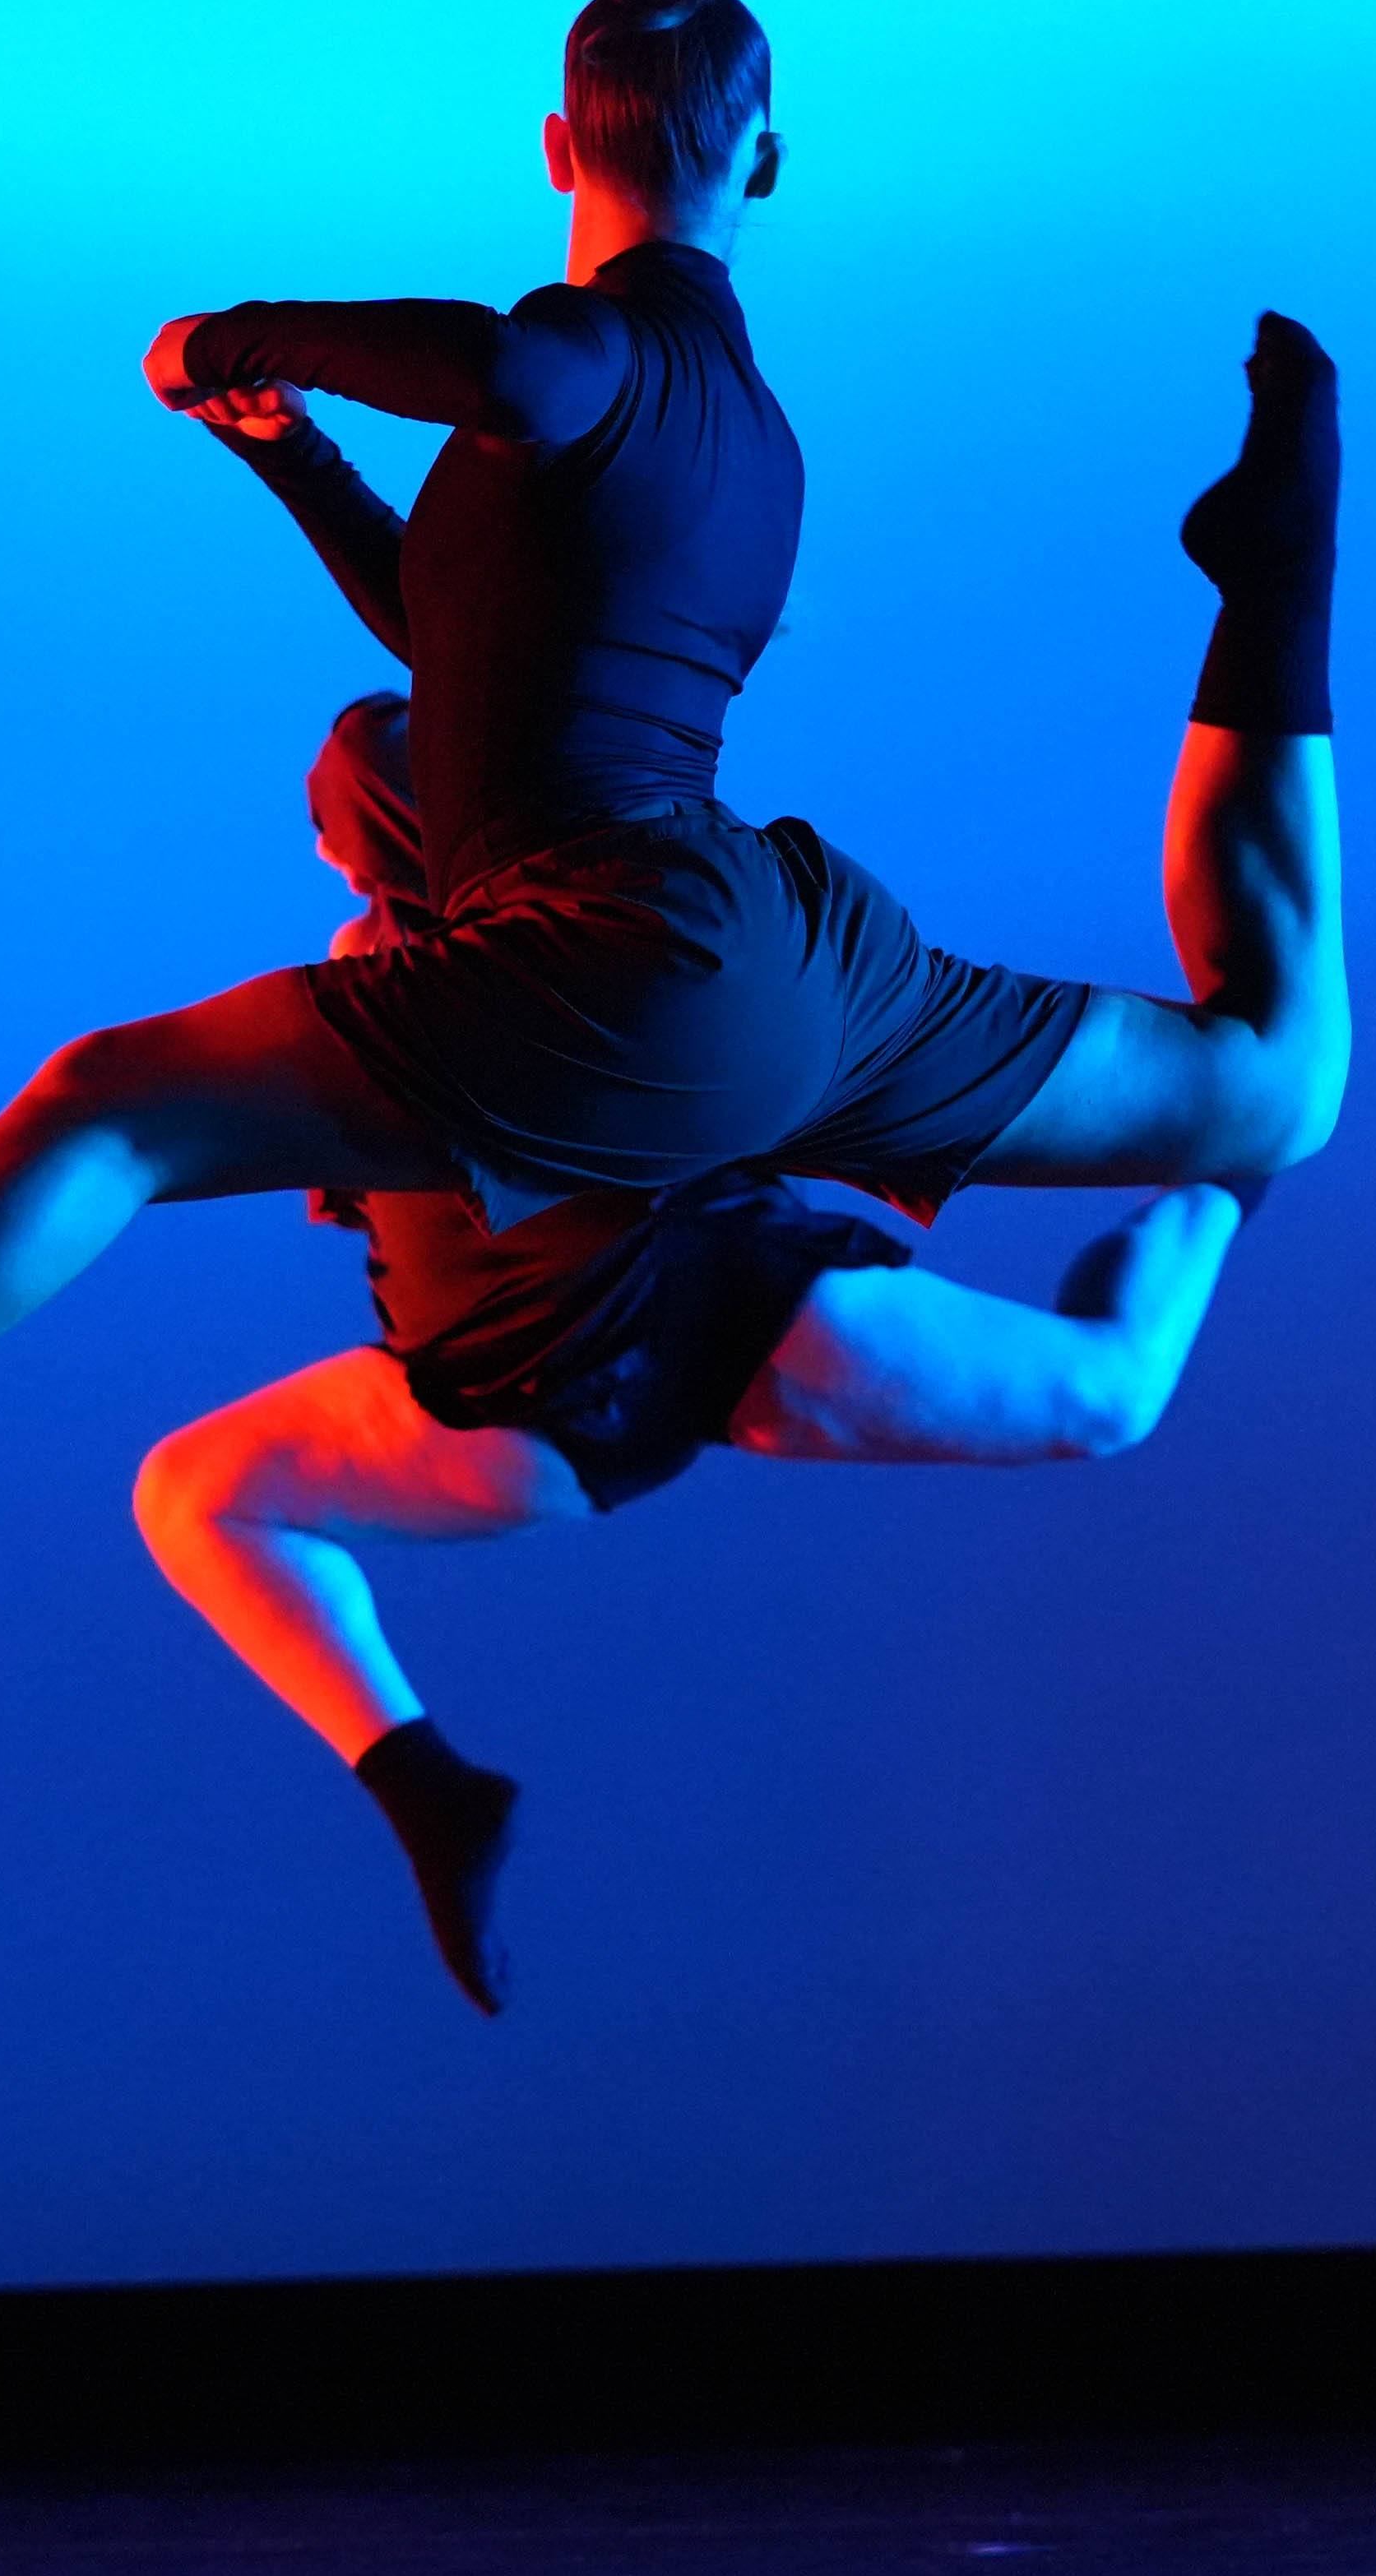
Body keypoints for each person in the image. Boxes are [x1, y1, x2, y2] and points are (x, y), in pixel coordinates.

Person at [0, 0, 1346, 1962]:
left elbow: (519, 364)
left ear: (561, 146)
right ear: (772, 164)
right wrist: (299, 449)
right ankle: (1278, 582)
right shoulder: (720, 433)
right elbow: (468, 650)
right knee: (1267, 1080)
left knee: (108, 1108)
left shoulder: (601, 356)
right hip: (780, 961)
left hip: (625, 972)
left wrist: (264, 322)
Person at [132, 696, 1253, 2010]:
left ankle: (1234, 1165)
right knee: (192, 1491)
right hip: (517, 1397)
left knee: (1113, 1391)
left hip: (680, 1310)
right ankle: (428, 1789)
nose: (327, 860)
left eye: (338, 832)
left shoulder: (583, 933)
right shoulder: (361, 978)